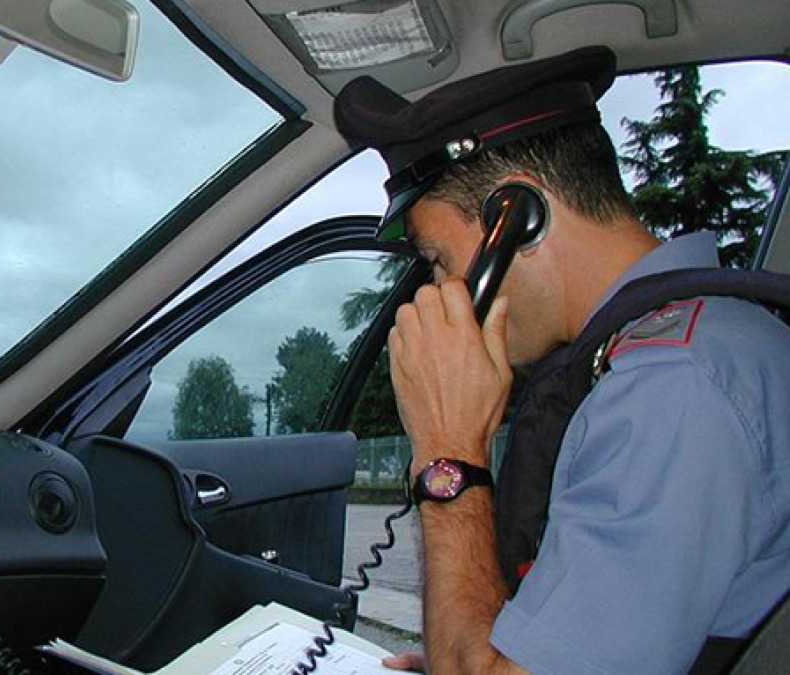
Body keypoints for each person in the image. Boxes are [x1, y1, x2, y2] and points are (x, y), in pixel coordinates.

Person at [334, 47, 790, 674]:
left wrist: (447, 454)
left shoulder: (673, 387)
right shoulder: (679, 350)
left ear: (518, 218)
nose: (439, 292)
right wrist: (470, 647)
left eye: (439, 259)